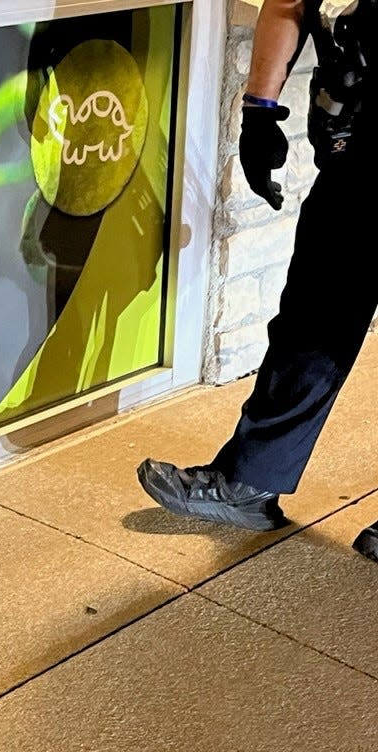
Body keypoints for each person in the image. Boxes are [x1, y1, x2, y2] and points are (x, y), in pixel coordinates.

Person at [137, 0, 378, 560]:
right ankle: (250, 480)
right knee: (311, 323)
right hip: (356, 161)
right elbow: (289, 4)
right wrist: (259, 110)